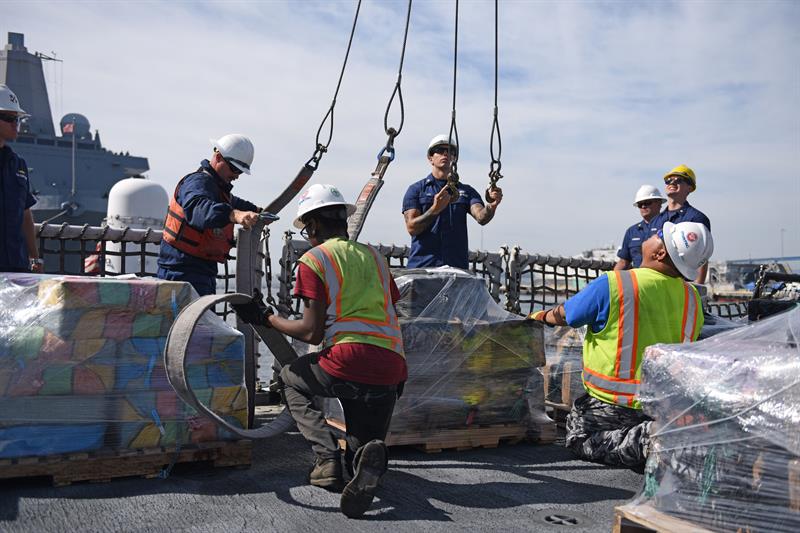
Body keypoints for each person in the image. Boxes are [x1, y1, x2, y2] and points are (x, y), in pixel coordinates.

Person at [236, 184, 407, 518]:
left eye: (306, 228)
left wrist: (268, 318)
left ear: (312, 226)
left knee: (290, 378)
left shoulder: (314, 259)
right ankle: (361, 458)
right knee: (360, 450)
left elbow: (311, 330)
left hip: (348, 360)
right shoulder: (375, 257)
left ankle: (326, 458)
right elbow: (391, 310)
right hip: (392, 367)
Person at [529, 221, 713, 470]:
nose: (650, 235)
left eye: (658, 235)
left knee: (577, 437)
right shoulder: (692, 298)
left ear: (659, 253)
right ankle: (661, 432)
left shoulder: (614, 284)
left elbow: (565, 316)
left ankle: (646, 439)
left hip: (613, 405)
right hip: (663, 405)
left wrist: (539, 317)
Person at [157, 134, 264, 295]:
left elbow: (235, 203)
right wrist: (234, 215)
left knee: (203, 319)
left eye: (240, 172)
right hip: (180, 274)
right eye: (235, 169)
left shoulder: (217, 189)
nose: (236, 176)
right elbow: (198, 208)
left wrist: (259, 212)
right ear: (218, 157)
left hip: (202, 273)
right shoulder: (197, 182)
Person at [402, 134, 502, 269]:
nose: (445, 153)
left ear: (454, 158)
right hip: (422, 269)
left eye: (450, 151)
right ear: (430, 158)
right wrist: (435, 209)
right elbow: (412, 227)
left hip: (456, 270)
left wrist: (492, 205)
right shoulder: (416, 190)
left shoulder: (466, 191)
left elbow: (481, 217)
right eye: (440, 150)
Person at [0, 84, 42, 274]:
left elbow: (25, 215)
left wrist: (35, 258)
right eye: (9, 118)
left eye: (17, 119)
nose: (15, 124)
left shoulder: (18, 165)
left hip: (15, 265)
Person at [653, 165, 711, 283]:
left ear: (689, 188)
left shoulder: (697, 218)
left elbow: (701, 257)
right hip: (657, 282)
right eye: (668, 180)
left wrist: (697, 291)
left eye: (678, 180)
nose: (672, 183)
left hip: (681, 284)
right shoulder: (657, 219)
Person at [614, 185, 666, 270]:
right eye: (640, 204)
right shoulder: (631, 231)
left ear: (659, 203)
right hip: (639, 281)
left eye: (647, 203)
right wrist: (611, 279)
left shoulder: (667, 227)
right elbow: (623, 261)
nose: (643, 206)